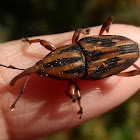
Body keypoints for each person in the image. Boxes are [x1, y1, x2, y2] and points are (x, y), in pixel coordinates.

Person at [0, 24, 140, 140]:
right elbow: (77, 31)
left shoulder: (85, 71)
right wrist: (75, 99)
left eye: (42, 67)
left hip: (119, 51)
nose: (37, 68)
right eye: (43, 70)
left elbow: (75, 92)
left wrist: (77, 100)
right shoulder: (79, 45)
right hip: (103, 49)